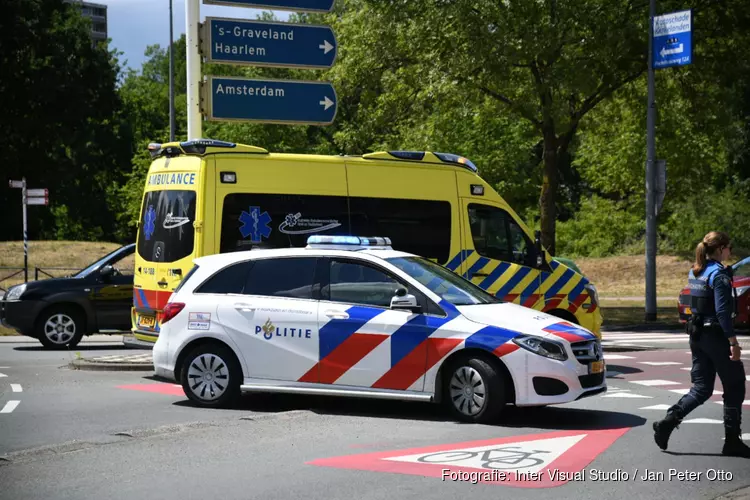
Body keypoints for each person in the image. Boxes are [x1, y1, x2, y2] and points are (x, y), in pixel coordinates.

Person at [653, 231, 750, 457]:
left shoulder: (696, 271)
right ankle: (732, 442)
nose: (730, 252)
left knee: (701, 388)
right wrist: (733, 342)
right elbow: (723, 313)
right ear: (720, 249)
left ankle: (667, 422)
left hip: (697, 335)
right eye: (729, 247)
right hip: (716, 336)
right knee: (735, 385)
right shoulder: (720, 276)